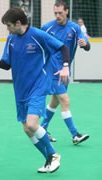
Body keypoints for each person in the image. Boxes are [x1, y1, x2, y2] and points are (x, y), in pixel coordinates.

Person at [0, 7, 70, 173]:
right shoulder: (11, 39)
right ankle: (48, 159)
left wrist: (65, 67)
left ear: (18, 23)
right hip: (20, 89)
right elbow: (7, 65)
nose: (7, 29)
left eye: (9, 25)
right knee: (26, 129)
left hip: (38, 85)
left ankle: (53, 154)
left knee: (32, 123)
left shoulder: (37, 35)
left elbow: (63, 48)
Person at [41, 0, 90, 144]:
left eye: (60, 13)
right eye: (55, 13)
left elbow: (87, 46)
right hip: (52, 69)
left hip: (65, 69)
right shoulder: (47, 28)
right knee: (65, 100)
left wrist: (85, 44)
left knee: (55, 101)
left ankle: (43, 128)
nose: (57, 16)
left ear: (67, 12)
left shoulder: (75, 28)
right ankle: (75, 135)